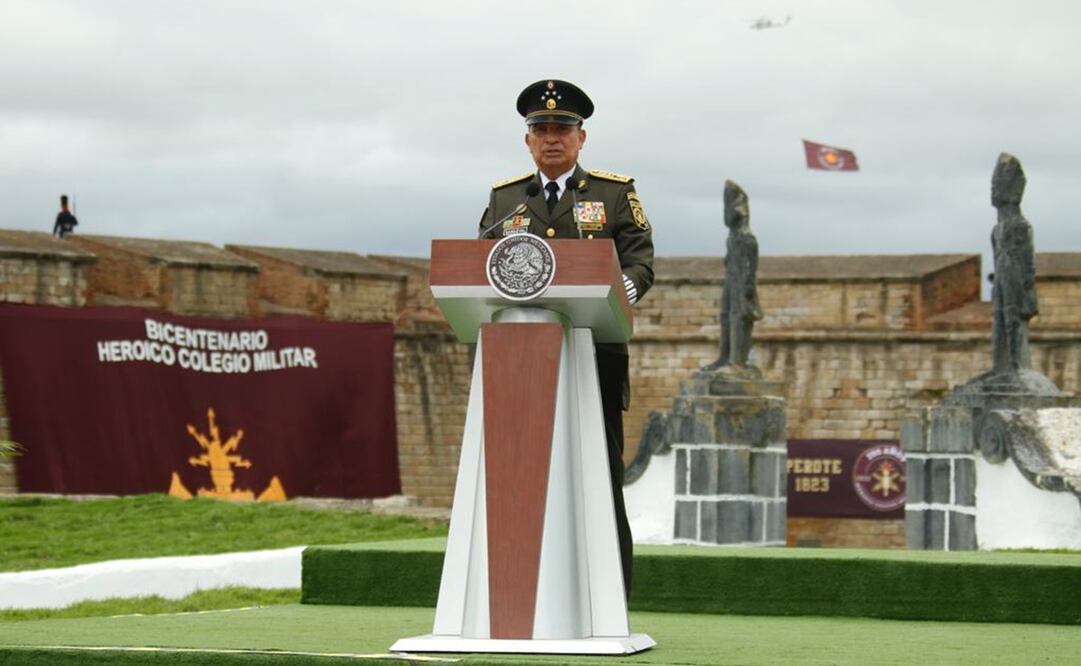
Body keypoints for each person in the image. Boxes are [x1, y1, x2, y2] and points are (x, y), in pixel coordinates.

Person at [478, 79, 654, 597]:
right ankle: (517, 594)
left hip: (593, 354)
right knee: (520, 476)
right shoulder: (507, 198)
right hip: (521, 361)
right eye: (541, 129)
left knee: (599, 475)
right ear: (527, 141)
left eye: (562, 129)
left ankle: (611, 597)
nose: (552, 138)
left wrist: (620, 293)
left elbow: (640, 261)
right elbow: (483, 262)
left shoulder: (613, 193)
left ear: (582, 138)